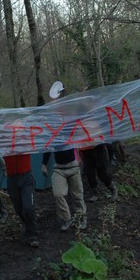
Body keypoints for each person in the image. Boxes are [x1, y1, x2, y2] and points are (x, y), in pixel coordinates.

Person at [41, 82, 87, 231]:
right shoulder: (52, 126)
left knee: (78, 195)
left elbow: (80, 112)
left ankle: (81, 218)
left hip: (73, 165)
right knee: (58, 194)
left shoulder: (70, 122)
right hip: (59, 168)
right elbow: (48, 145)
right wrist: (43, 164)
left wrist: (81, 96)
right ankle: (67, 218)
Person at [3, 153, 39, 247]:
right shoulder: (4, 143)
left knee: (28, 208)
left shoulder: (24, 140)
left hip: (26, 177)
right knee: (19, 209)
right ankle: (27, 224)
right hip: (12, 179)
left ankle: (33, 235)